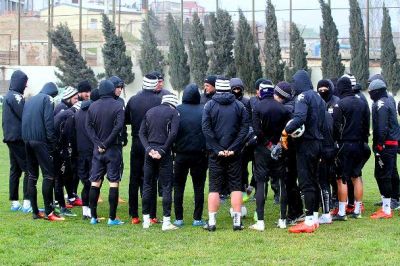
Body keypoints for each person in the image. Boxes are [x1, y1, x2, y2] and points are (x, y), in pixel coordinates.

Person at [202, 77, 249, 231]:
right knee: (236, 186)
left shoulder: (209, 105)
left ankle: (212, 222)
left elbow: (206, 129)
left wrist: (217, 149)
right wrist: (234, 148)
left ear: (216, 88)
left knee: (214, 187)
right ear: (229, 89)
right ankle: (237, 221)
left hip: (216, 154)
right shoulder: (239, 105)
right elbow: (244, 129)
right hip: (234, 153)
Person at [283, 70, 326, 233]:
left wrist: (286, 131)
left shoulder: (302, 97)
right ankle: (314, 216)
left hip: (306, 143)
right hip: (318, 142)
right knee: (314, 180)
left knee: (306, 181)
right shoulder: (318, 98)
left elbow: (300, 118)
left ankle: (308, 221)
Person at [250, 81, 290, 231]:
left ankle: (260, 221)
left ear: (261, 93)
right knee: (281, 183)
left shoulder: (257, 107)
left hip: (262, 150)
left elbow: (256, 130)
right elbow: (287, 130)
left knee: (261, 183)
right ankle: (282, 220)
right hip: (279, 149)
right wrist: (278, 145)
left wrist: (268, 145)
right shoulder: (283, 109)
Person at [125, 74, 164, 225]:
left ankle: (134, 214)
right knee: (151, 178)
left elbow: (127, 119)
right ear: (155, 85)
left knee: (134, 179)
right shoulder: (159, 100)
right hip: (152, 143)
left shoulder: (133, 100)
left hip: (136, 142)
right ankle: (152, 214)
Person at [22, 82, 64, 221]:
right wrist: (52, 144)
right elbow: (48, 122)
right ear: (52, 93)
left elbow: (24, 121)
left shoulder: (30, 100)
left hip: (27, 140)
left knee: (32, 176)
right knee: (49, 175)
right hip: (40, 141)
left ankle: (35, 212)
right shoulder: (47, 99)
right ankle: (49, 212)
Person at [86, 80, 125, 226]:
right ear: (111, 90)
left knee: (95, 182)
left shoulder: (93, 106)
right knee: (113, 183)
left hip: (97, 151)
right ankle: (112, 218)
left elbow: (88, 127)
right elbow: (118, 126)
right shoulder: (118, 105)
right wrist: (106, 143)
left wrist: (98, 143)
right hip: (113, 149)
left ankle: (93, 217)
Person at [139, 94, 180, 231]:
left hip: (149, 152)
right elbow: (173, 133)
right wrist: (163, 151)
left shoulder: (150, 111)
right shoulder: (174, 112)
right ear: (173, 104)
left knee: (147, 185)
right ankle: (166, 222)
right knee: (167, 186)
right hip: (165, 152)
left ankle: (146, 220)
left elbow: (141, 133)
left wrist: (148, 149)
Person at [332, 76, 370, 221]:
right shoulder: (362, 102)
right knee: (357, 176)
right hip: (360, 144)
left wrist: (336, 142)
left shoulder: (340, 104)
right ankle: (358, 210)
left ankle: (342, 212)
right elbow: (367, 124)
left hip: (345, 144)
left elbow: (336, 126)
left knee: (342, 177)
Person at [173, 84, 207, 227]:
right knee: (198, 187)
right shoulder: (204, 110)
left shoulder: (177, 110)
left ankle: (179, 218)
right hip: (199, 155)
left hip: (180, 154)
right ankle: (197, 218)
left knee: (179, 186)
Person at [368, 79, 400, 219]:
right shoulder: (388, 101)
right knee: (390, 173)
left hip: (386, 144)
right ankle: (392, 201)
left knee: (383, 175)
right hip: (391, 143)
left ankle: (387, 208)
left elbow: (382, 127)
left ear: (375, 92)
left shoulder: (381, 104)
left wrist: (379, 146)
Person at [273, 81, 304, 224]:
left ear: (280, 96)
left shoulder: (286, 110)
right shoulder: (294, 106)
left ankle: (295, 213)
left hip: (289, 151)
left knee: (289, 183)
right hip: (296, 150)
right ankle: (297, 211)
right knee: (292, 182)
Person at [2, 70, 31, 212]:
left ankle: (14, 202)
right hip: (18, 138)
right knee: (28, 168)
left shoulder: (8, 96)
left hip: (10, 138)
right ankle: (27, 202)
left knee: (15, 169)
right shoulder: (16, 97)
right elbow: (24, 115)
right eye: (25, 83)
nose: (26, 86)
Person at [316, 79, 340, 224]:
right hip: (332, 148)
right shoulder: (328, 115)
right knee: (330, 177)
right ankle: (330, 205)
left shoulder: (320, 115)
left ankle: (326, 211)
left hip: (324, 150)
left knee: (323, 180)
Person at [53, 102, 82, 217]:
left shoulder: (66, 114)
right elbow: (67, 134)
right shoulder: (71, 115)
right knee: (59, 177)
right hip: (58, 150)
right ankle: (62, 207)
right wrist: (67, 150)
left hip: (55, 148)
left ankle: (65, 200)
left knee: (65, 175)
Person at [74, 100, 94, 219]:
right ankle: (91, 210)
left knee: (85, 182)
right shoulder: (92, 114)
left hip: (79, 153)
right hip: (91, 152)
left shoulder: (76, 114)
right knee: (92, 183)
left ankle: (85, 210)